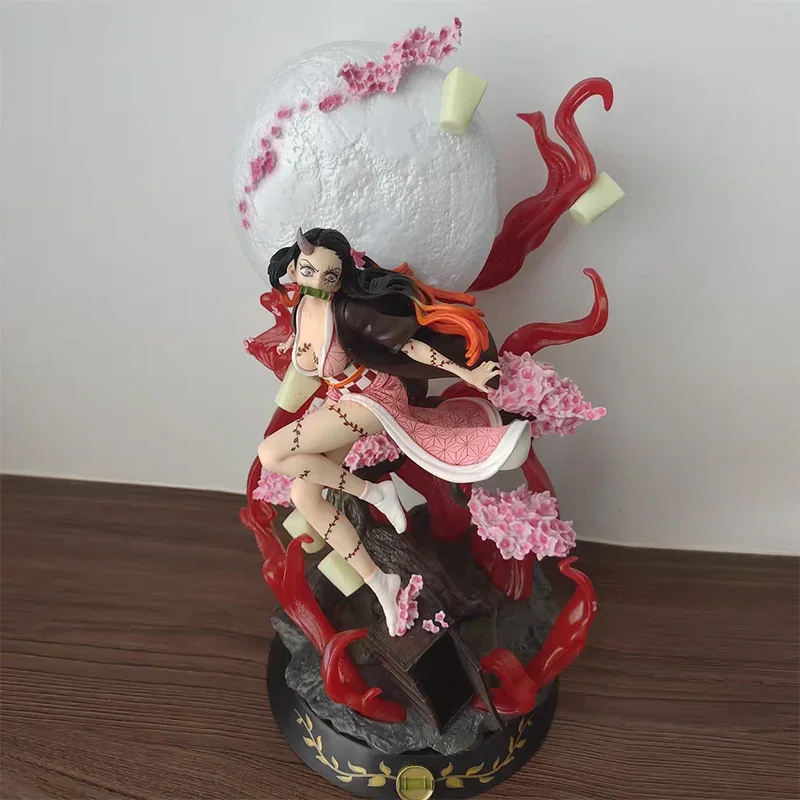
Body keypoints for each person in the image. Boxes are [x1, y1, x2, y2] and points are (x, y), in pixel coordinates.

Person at [258, 227, 530, 635]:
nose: (319, 282)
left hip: (374, 397)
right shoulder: (301, 308)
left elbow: (409, 346)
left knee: (271, 453)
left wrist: (466, 373)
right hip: (341, 400)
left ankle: (374, 494)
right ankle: (380, 583)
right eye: (310, 271)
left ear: (340, 278)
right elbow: (310, 351)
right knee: (304, 495)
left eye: (330, 276)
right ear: (295, 269)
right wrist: (290, 345)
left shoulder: (348, 311)